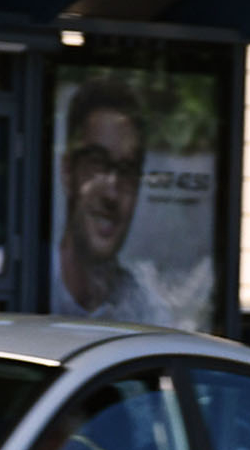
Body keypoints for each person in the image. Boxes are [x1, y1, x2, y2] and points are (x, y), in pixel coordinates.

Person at [50, 77, 176, 327]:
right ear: (67, 172)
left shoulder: (147, 311)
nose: (111, 194)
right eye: (97, 163)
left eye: (127, 170)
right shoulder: (19, 278)